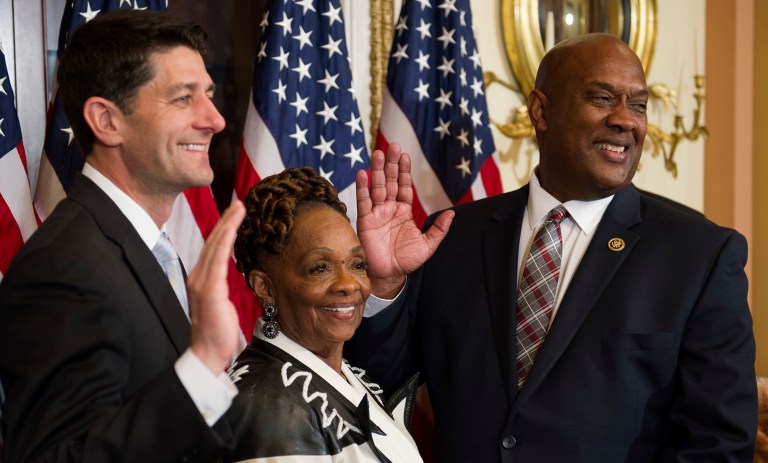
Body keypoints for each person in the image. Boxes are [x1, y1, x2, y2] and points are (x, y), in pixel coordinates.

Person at [345, 33, 757, 462]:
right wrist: (386, 285)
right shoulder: (452, 236)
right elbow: (375, 388)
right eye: (602, 98)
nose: (626, 121)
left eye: (638, 104)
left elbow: (718, 446)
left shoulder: (700, 255)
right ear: (541, 110)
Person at [0, 10, 247, 462]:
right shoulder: (62, 267)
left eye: (208, 95)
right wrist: (205, 360)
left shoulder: (148, 245)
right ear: (106, 121)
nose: (215, 120)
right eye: (183, 98)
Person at [224, 167, 423, 463]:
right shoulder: (270, 407)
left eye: (357, 264)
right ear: (264, 286)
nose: (349, 284)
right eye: (320, 268)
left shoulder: (348, 374)